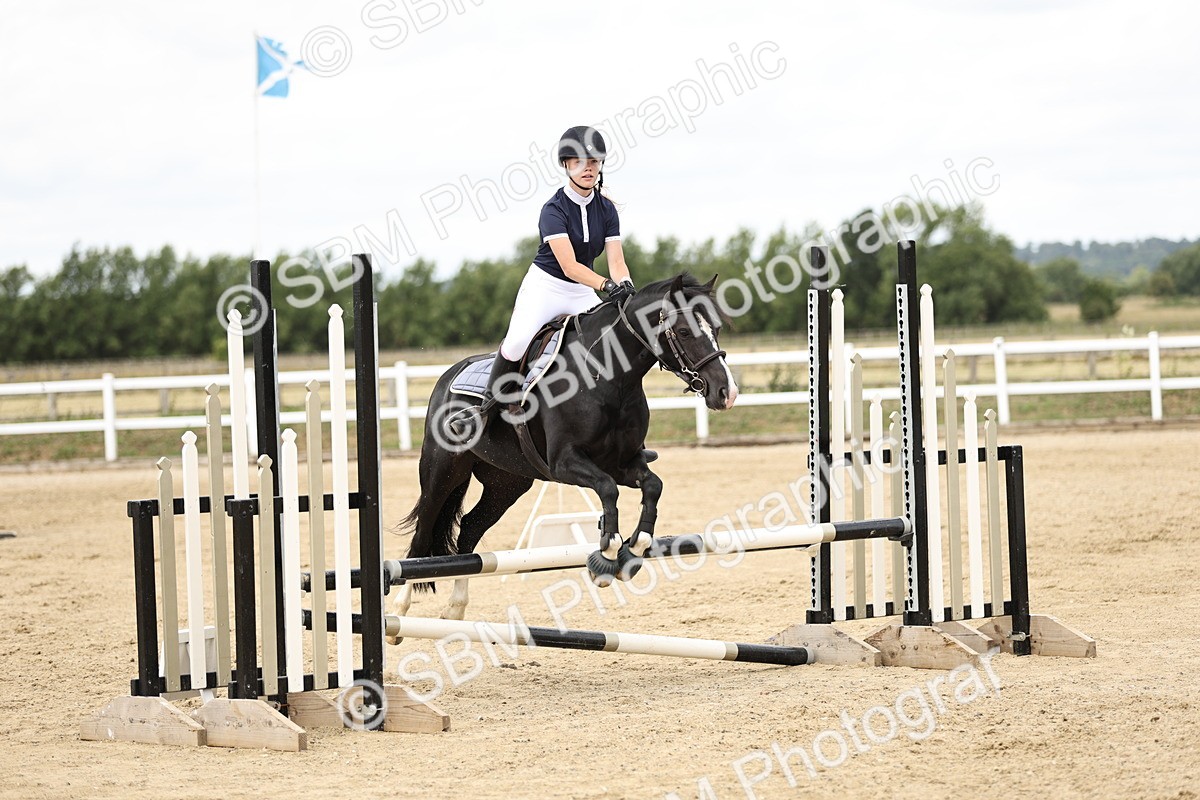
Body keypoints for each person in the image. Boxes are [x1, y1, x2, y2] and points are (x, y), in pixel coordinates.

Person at [448, 125, 635, 438]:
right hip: (547, 286)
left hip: (580, 290)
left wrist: (625, 284)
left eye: (594, 160)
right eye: (578, 161)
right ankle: (486, 411)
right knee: (518, 341)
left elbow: (616, 261)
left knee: (613, 338)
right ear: (565, 165)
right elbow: (569, 265)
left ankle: (623, 422)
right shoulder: (553, 210)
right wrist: (605, 286)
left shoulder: (607, 210)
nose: (587, 167)